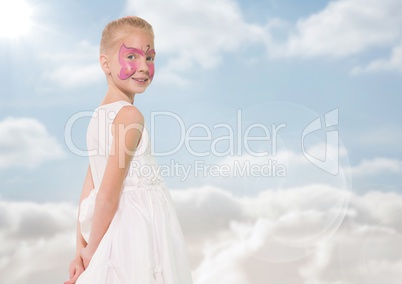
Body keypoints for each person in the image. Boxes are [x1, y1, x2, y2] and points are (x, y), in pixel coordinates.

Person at [64, 16, 193, 284]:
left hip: (109, 233)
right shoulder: (130, 116)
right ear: (105, 63)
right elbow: (107, 195)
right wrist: (90, 254)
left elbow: (87, 191)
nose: (144, 67)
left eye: (150, 58)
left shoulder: (98, 118)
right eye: (131, 57)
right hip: (135, 236)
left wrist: (81, 251)